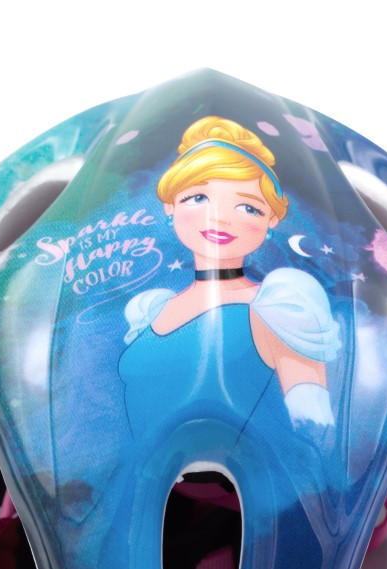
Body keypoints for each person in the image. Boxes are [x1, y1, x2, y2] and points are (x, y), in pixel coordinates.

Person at [119, 117, 341, 439]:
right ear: (170, 205)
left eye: (248, 208)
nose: (220, 218)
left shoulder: (282, 306)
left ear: (272, 219)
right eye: (199, 198)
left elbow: (314, 425)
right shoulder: (150, 309)